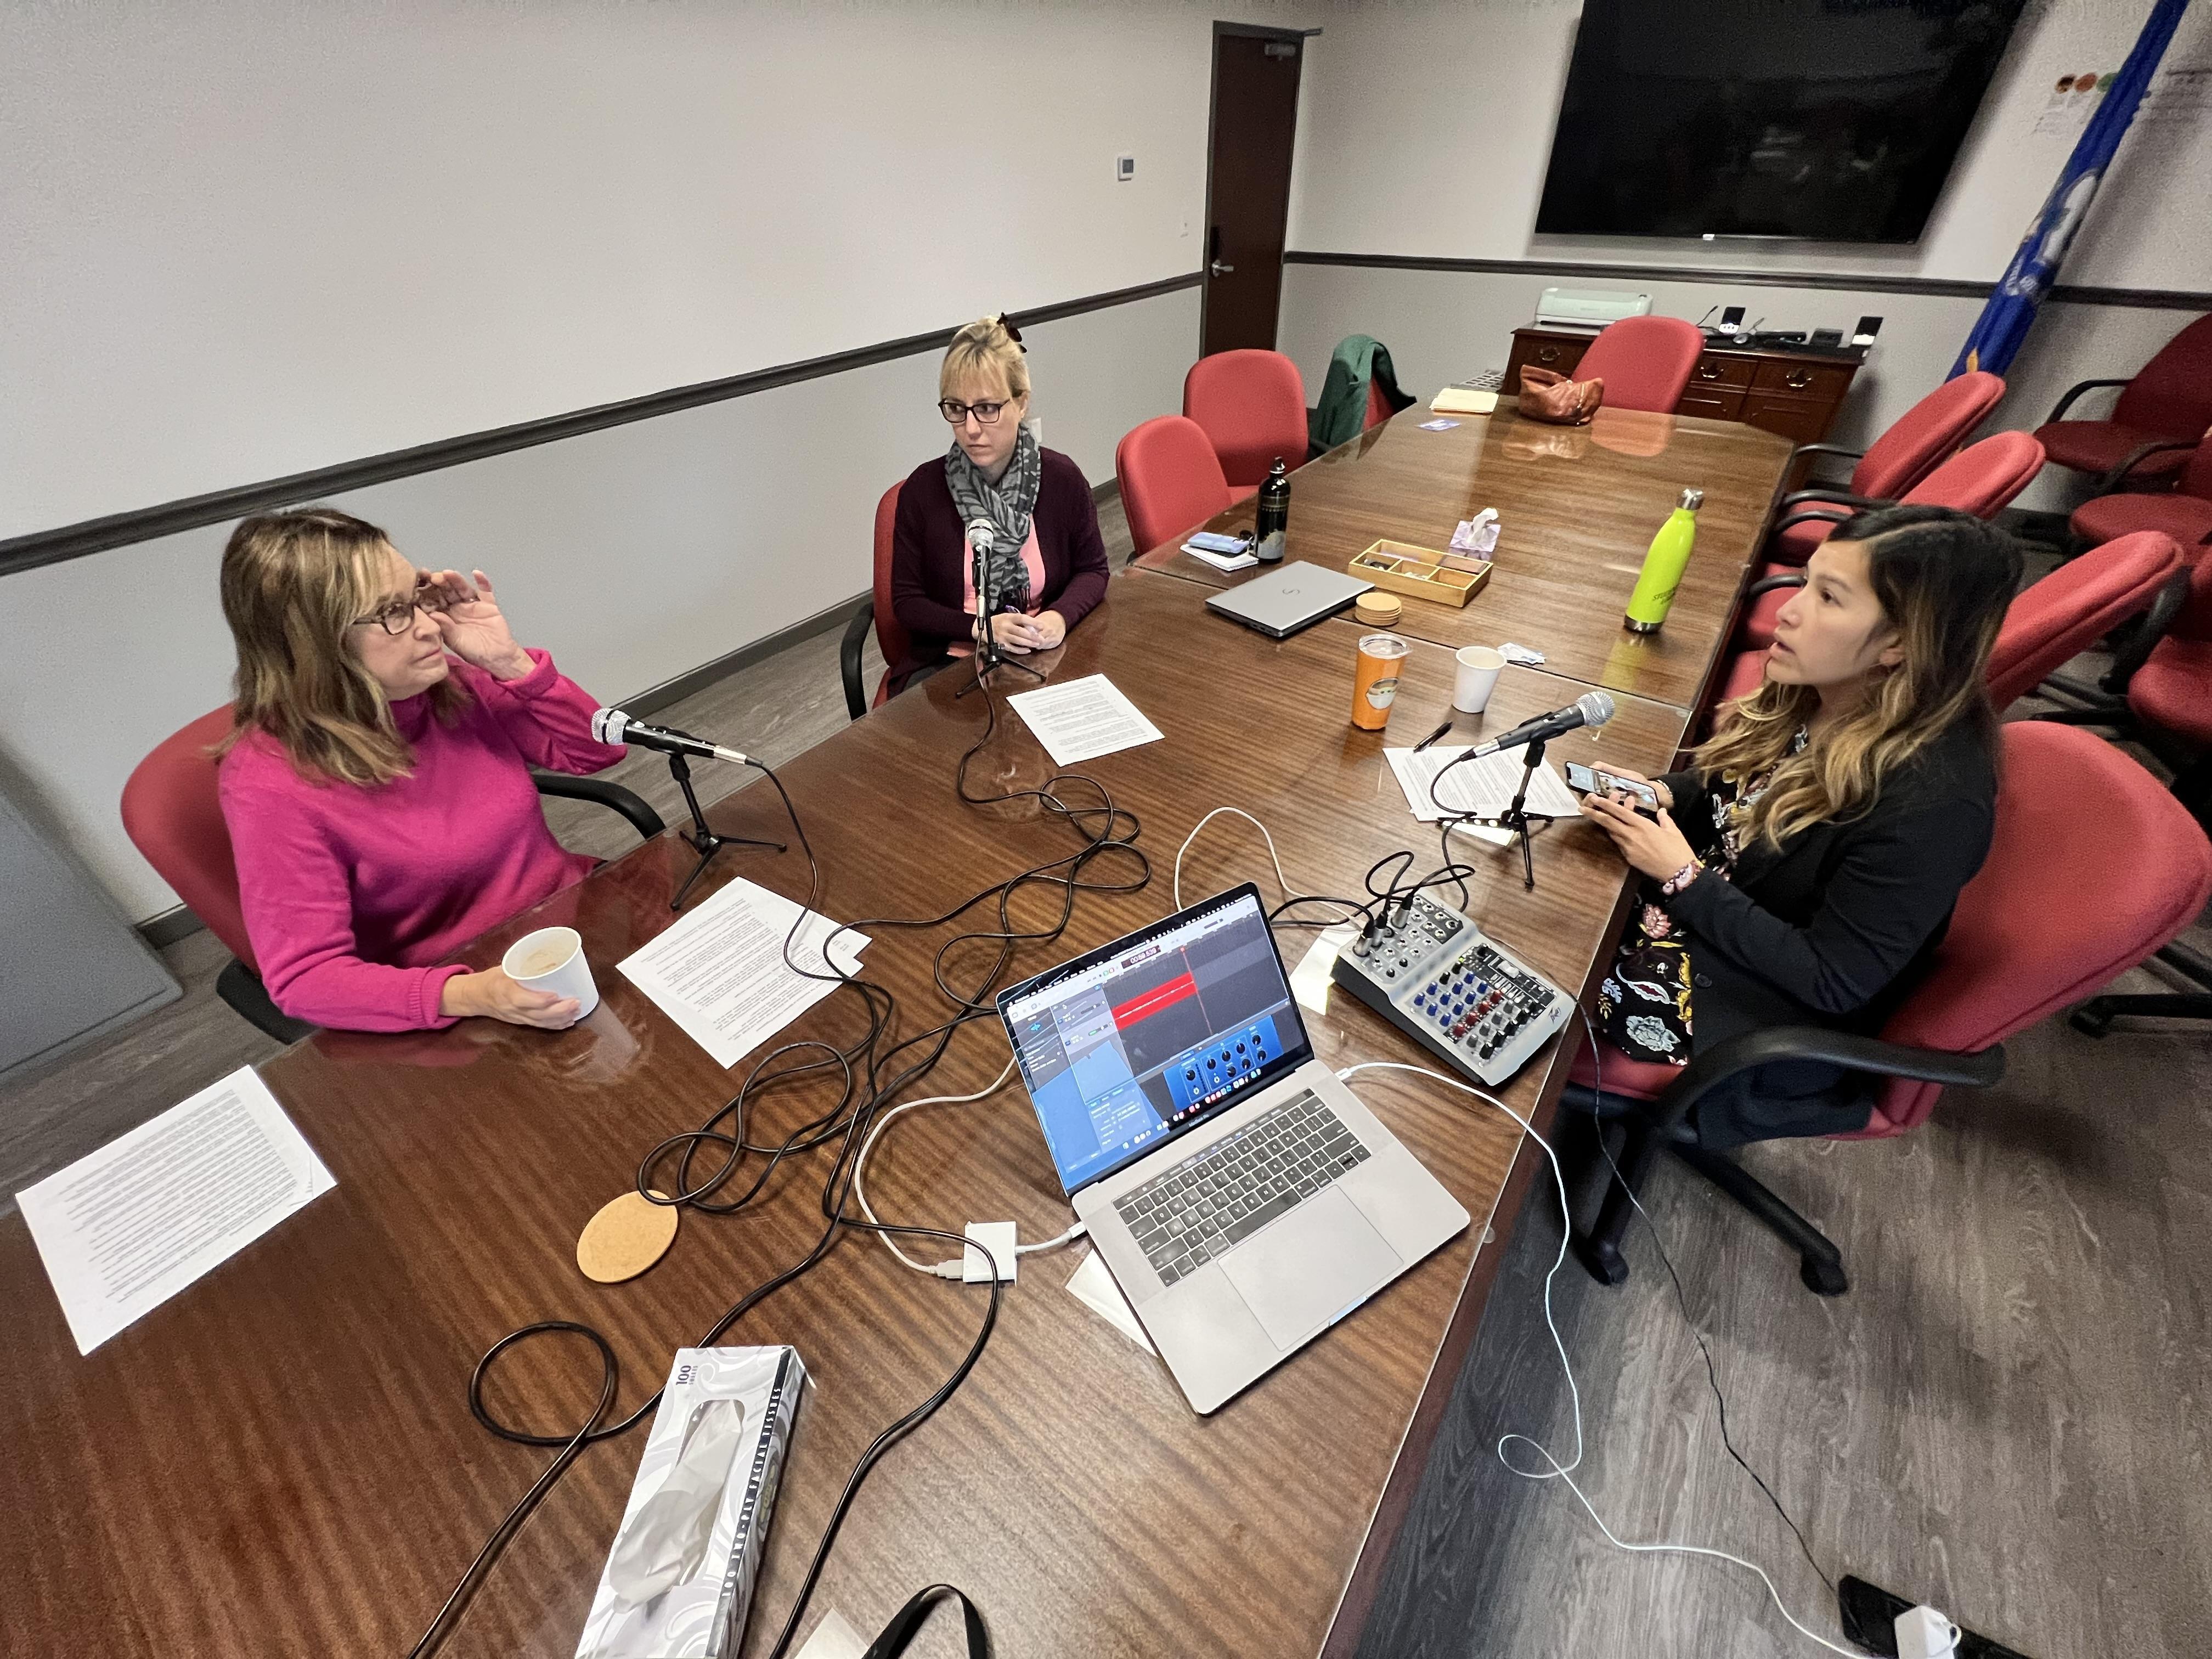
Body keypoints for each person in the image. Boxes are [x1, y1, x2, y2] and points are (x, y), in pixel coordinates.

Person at [1577, 505, 2023, 1147]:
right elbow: (1734, 791)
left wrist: (1683, 877)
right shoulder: (1826, 692)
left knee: (1528, 998)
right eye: (1807, 582)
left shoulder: (1934, 803)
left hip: (1760, 1009)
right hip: (1712, 914)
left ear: (1901, 644)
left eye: (1829, 598)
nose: (1788, 610)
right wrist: (1661, 796)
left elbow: (1832, 980)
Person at [216, 506, 630, 1032]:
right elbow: (305, 980)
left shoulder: (445, 685)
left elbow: (594, 752)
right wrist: (469, 993)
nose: (431, 625)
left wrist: (509, 663)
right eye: (393, 612)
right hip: (468, 989)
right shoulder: (269, 783)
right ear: (314, 645)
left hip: (572, 920)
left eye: (416, 597)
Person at [887, 314, 1111, 694]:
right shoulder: (922, 491)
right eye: (957, 409)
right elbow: (908, 603)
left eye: (988, 408)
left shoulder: (1062, 480)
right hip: (950, 663)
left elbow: (1093, 570)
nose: (971, 429)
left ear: (1021, 403)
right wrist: (981, 627)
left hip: (1043, 656)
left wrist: (1059, 616)